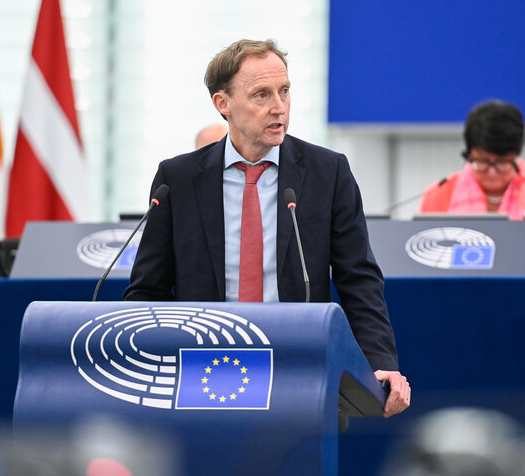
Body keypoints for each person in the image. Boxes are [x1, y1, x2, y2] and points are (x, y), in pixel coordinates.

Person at [124, 39, 409, 417]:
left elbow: (358, 278)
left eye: (285, 91)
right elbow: (148, 288)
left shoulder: (328, 172)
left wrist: (379, 359)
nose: (279, 108)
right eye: (262, 94)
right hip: (203, 368)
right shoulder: (177, 179)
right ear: (222, 104)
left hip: (299, 364)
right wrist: (140, 360)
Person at [418, 100, 525, 220]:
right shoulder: (438, 195)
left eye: (501, 162)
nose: (491, 171)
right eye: (482, 161)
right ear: (469, 154)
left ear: (515, 155)